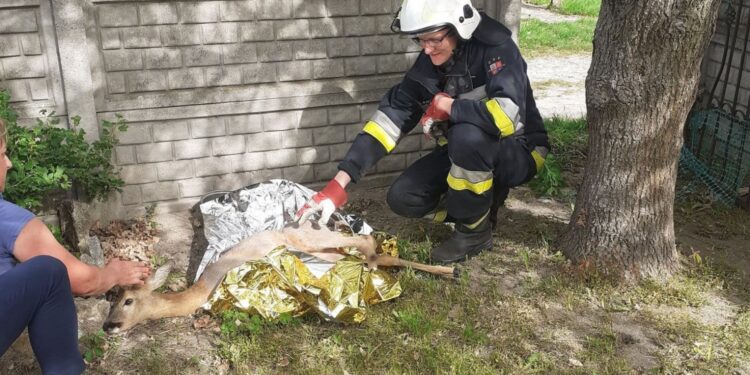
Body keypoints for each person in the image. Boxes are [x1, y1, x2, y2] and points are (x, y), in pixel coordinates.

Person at [297, 0, 550, 263]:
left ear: (459, 28)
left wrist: (450, 106)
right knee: (404, 197)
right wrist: (339, 183)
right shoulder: (431, 60)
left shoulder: (497, 49)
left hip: (521, 149)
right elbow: (391, 118)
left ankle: (473, 233)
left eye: (435, 40)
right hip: (469, 151)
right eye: (420, 40)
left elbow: (506, 118)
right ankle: (481, 211)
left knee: (466, 135)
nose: (426, 49)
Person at [0, 118, 151, 374]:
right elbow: (82, 282)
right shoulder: (6, 218)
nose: (9, 163)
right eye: (2, 154)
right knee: (50, 273)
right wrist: (112, 274)